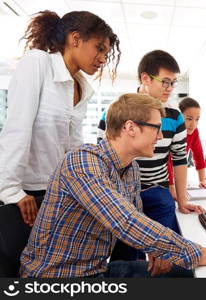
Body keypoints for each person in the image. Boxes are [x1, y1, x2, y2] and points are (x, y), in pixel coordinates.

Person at [20, 93, 206, 278]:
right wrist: (203, 253)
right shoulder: (83, 162)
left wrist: (157, 249)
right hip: (56, 278)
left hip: (96, 270)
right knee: (197, 267)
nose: (161, 136)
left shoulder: (130, 168)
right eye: (156, 127)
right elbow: (126, 222)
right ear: (130, 128)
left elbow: (135, 215)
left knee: (191, 274)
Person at [0, 10, 121, 226]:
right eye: (99, 48)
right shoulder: (38, 63)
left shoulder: (82, 87)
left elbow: (73, 148)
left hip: (56, 190)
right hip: (23, 191)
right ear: (75, 39)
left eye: (106, 52)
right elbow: (17, 129)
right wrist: (10, 190)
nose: (103, 58)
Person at [97, 50, 203, 236]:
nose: (170, 88)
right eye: (165, 82)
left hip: (157, 190)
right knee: (128, 255)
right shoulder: (116, 112)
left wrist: (182, 199)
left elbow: (179, 160)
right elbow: (103, 158)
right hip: (122, 194)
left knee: (170, 246)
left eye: (173, 83)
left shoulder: (175, 117)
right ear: (145, 78)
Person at [167, 97, 206, 200]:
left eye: (197, 119)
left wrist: (202, 180)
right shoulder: (173, 131)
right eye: (189, 119)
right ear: (179, 117)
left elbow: (198, 155)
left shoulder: (194, 132)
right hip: (163, 178)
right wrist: (171, 187)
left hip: (176, 177)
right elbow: (168, 162)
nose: (193, 124)